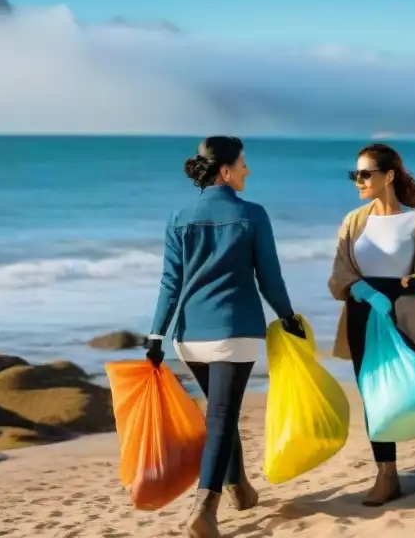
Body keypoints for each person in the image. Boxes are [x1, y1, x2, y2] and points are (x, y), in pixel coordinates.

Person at [145, 136, 306, 538]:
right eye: (244, 164)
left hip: (189, 335)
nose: (247, 171)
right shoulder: (252, 215)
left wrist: (155, 335)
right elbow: (269, 276)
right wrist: (287, 316)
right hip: (235, 330)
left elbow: (170, 282)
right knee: (221, 416)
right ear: (225, 170)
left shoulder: (178, 216)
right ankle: (204, 507)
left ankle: (240, 488)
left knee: (220, 412)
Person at [328, 143, 415, 506]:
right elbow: (340, 270)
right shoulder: (354, 221)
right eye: (355, 174)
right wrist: (361, 289)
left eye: (365, 174)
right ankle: (387, 474)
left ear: (388, 176)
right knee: (375, 393)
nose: (358, 180)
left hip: (412, 313)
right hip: (365, 312)